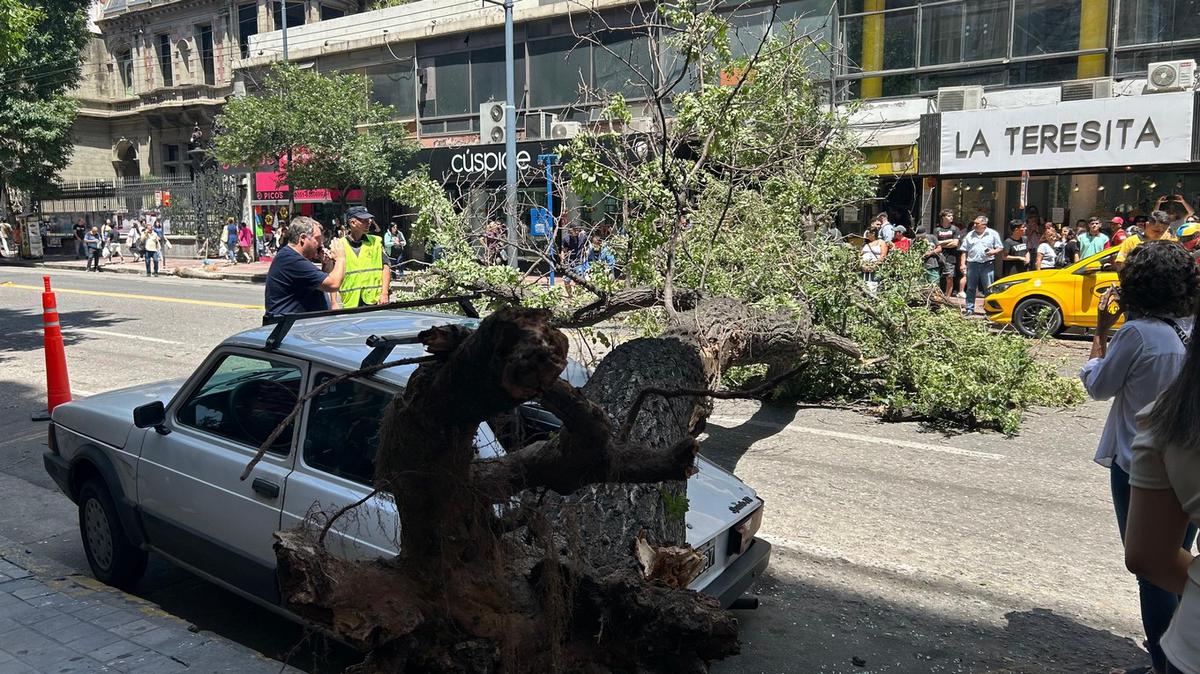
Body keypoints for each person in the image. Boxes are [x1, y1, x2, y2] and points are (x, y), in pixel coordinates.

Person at [1081, 241, 1199, 674]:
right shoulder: (1192, 325)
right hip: (1190, 465)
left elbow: (1098, 386)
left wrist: (1099, 330)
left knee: (1152, 570)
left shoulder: (1136, 333)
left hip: (1140, 466)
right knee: (1180, 561)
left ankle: (1164, 663)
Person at [264, 216, 347, 317]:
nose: (321, 244)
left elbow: (323, 282)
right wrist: (341, 258)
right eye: (317, 239)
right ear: (303, 238)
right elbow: (333, 284)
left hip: (304, 327)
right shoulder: (291, 260)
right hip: (289, 328)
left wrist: (326, 262)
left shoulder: (294, 257)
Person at [337, 206, 391, 309]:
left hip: (373, 300)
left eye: (369, 219)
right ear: (352, 223)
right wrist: (334, 302)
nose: (369, 222)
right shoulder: (340, 245)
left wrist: (384, 293)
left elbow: (386, 267)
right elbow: (332, 274)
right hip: (350, 302)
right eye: (364, 220)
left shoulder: (376, 242)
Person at [958, 215, 1003, 316]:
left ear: (984, 224)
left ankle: (989, 310)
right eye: (974, 223)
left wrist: (993, 251)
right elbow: (964, 250)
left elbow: (1000, 247)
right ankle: (969, 309)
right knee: (970, 288)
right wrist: (962, 264)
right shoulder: (970, 234)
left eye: (977, 223)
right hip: (972, 264)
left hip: (987, 264)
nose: (974, 225)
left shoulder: (993, 233)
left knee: (988, 288)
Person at [934, 209, 961, 298]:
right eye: (949, 216)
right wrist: (949, 240)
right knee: (936, 277)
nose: (951, 217)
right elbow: (935, 243)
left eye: (952, 215)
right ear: (943, 217)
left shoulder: (955, 229)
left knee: (949, 277)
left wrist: (941, 243)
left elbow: (955, 243)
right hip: (938, 256)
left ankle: (947, 298)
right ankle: (936, 296)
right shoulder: (937, 229)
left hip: (950, 257)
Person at [560, 224, 590, 297]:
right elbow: (563, 250)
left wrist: (586, 253)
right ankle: (570, 295)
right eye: (574, 229)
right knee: (566, 280)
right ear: (570, 230)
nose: (576, 231)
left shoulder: (583, 237)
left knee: (579, 281)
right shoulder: (566, 238)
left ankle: (578, 296)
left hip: (579, 262)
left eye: (577, 229)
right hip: (569, 263)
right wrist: (563, 260)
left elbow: (588, 245)